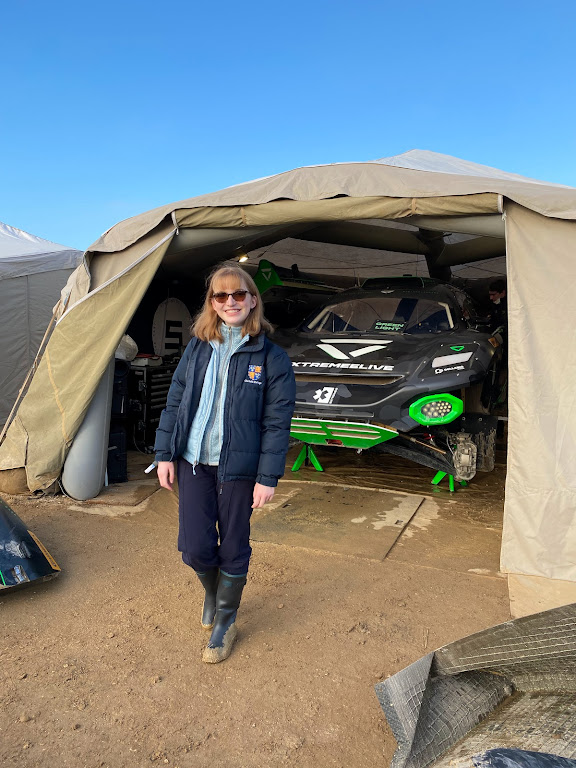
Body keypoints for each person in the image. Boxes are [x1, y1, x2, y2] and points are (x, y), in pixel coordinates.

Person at [154, 264, 296, 664]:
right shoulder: (198, 347)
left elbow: (277, 421)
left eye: (239, 295)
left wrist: (268, 477)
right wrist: (165, 453)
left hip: (239, 469)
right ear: (212, 304)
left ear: (253, 299)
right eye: (221, 296)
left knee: (233, 544)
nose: (230, 302)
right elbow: (176, 402)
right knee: (196, 547)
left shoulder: (271, 357)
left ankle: (225, 622)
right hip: (193, 462)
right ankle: (213, 594)